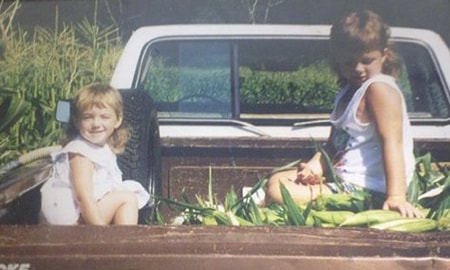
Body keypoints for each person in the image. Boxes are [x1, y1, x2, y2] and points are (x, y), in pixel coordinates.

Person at [266, 10, 423, 218]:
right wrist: (315, 165)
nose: (358, 69)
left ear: (384, 55)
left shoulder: (380, 89)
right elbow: (334, 144)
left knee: (278, 192)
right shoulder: (348, 92)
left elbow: (392, 143)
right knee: (277, 180)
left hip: (369, 190)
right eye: (349, 62)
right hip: (345, 180)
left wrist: (396, 196)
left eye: (367, 60)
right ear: (337, 59)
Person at [41, 83, 150, 225]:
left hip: (83, 214)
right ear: (76, 121)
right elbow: (83, 196)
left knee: (126, 194)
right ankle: (124, 243)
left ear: (118, 120)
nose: (96, 123)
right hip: (70, 222)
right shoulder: (80, 152)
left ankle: (121, 240)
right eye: (88, 117)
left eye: (104, 117)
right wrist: (99, 232)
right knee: (127, 198)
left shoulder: (102, 148)